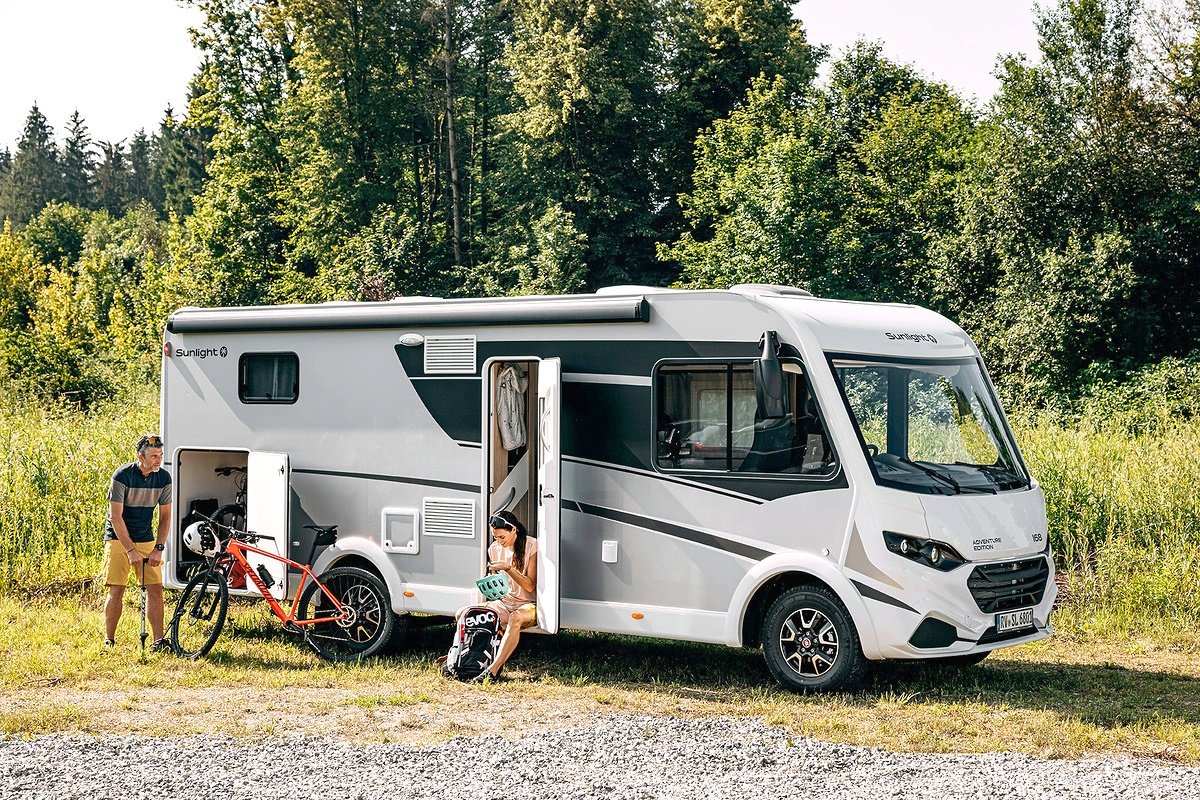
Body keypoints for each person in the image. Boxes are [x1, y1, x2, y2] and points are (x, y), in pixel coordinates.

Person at [102, 434, 172, 651]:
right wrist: (130, 550)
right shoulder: (122, 476)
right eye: (153, 456)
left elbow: (165, 517)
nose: (158, 460)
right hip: (118, 536)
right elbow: (115, 517)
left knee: (155, 589)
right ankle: (109, 640)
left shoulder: (164, 478)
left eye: (160, 455)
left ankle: (158, 642)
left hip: (145, 537)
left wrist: (158, 548)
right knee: (117, 589)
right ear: (140, 457)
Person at [474, 510, 539, 680]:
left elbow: (530, 586)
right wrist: (491, 581)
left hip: (529, 604)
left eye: (502, 537)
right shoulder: (494, 549)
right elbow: (498, 581)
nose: (499, 541)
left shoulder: (532, 546)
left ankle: (493, 670)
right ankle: (461, 657)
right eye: (495, 537)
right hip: (505, 602)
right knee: (466, 614)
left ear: (514, 530)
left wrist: (508, 569)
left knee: (515, 618)